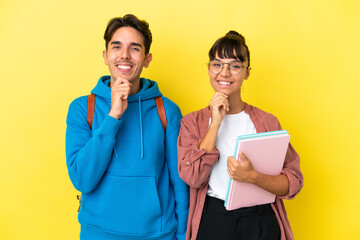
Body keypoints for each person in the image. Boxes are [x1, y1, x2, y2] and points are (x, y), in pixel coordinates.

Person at [66, 14, 189, 240]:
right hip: (98, 234)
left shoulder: (167, 111)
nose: (124, 55)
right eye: (116, 47)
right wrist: (113, 116)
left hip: (157, 234)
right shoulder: (83, 109)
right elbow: (82, 179)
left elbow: (180, 183)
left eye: (134, 48)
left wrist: (183, 236)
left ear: (147, 58)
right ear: (105, 56)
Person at [177, 31, 303, 240]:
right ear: (209, 69)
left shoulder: (267, 122)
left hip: (260, 219)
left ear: (247, 72)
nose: (224, 73)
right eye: (217, 64)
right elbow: (192, 177)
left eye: (235, 66)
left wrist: (253, 177)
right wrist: (215, 123)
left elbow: (293, 182)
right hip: (213, 218)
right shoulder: (192, 122)